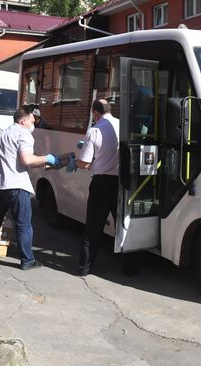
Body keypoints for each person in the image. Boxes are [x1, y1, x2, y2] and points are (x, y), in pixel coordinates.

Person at [0, 106, 60, 270]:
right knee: (23, 225)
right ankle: (27, 260)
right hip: (15, 185)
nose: (34, 123)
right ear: (23, 121)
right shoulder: (24, 134)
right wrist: (48, 158)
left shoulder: (4, 134)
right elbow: (27, 160)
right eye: (31, 120)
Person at [67, 99, 119, 276]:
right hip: (120, 184)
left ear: (95, 113)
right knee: (123, 227)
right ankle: (128, 266)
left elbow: (85, 163)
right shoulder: (121, 126)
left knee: (93, 228)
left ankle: (84, 267)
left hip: (101, 185)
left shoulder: (95, 130)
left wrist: (75, 162)